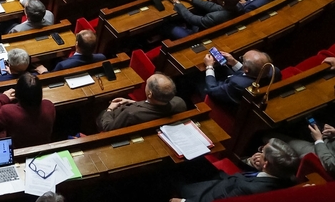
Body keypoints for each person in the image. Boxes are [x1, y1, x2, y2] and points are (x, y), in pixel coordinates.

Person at [169, 138, 297, 202]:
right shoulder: (288, 176)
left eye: (262, 151)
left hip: (205, 195)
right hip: (224, 180)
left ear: (266, 164)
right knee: (192, 157)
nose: (259, 152)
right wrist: (255, 165)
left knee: (168, 172)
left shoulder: (250, 190)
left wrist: (184, 201)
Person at [0, 72, 56, 147]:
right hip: (43, 148)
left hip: (18, 150)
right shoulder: (49, 106)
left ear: (17, 93)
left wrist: (4, 97)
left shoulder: (9, 111)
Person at [97, 73, 187, 131]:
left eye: (147, 84)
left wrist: (110, 109)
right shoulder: (180, 102)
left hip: (113, 120)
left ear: (150, 94)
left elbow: (108, 127)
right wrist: (133, 102)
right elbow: (152, 107)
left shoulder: (131, 114)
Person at [164, 0, 242, 39]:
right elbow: (211, 6)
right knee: (198, 10)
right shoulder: (236, 6)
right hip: (212, 26)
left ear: (223, 3)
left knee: (166, 26)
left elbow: (192, 19)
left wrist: (176, 2)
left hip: (201, 35)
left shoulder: (215, 17)